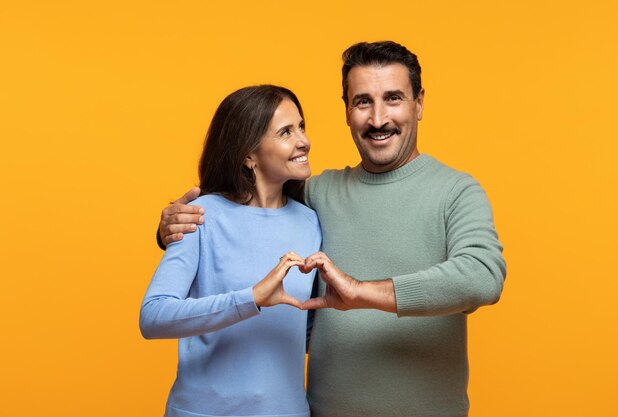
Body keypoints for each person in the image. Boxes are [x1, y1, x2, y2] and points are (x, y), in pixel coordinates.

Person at [157, 41, 507, 417]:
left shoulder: (456, 191)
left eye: (393, 99)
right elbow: (246, 214)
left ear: (419, 103)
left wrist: (361, 292)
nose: (377, 119)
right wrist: (172, 231)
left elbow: (482, 277)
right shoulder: (316, 195)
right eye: (362, 102)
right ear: (346, 110)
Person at [141, 85, 322, 417]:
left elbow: (303, 323)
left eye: (301, 126)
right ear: (248, 154)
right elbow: (152, 318)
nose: (303, 140)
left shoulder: (310, 221)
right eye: (285, 132)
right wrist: (250, 298)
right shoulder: (200, 215)